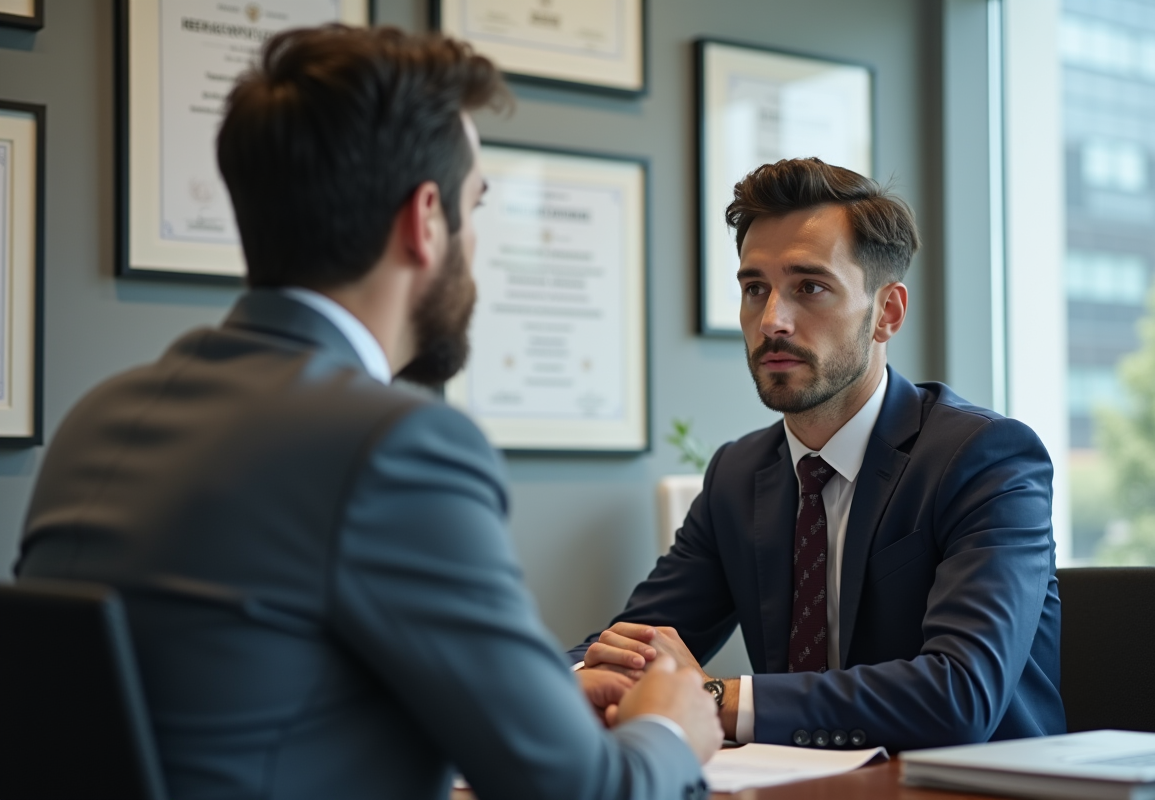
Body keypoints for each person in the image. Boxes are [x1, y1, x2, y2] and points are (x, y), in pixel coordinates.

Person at [14, 25, 720, 800]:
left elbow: (252, 703)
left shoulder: (98, 417)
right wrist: (670, 730)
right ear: (426, 220)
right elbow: (584, 793)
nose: (477, 247)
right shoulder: (395, 446)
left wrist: (541, 700)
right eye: (475, 207)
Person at [571, 158, 1065, 753]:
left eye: (809, 287)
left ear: (887, 313)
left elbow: (959, 697)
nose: (771, 321)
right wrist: (580, 682)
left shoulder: (986, 459)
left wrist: (711, 698)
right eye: (755, 289)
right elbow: (634, 643)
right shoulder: (738, 475)